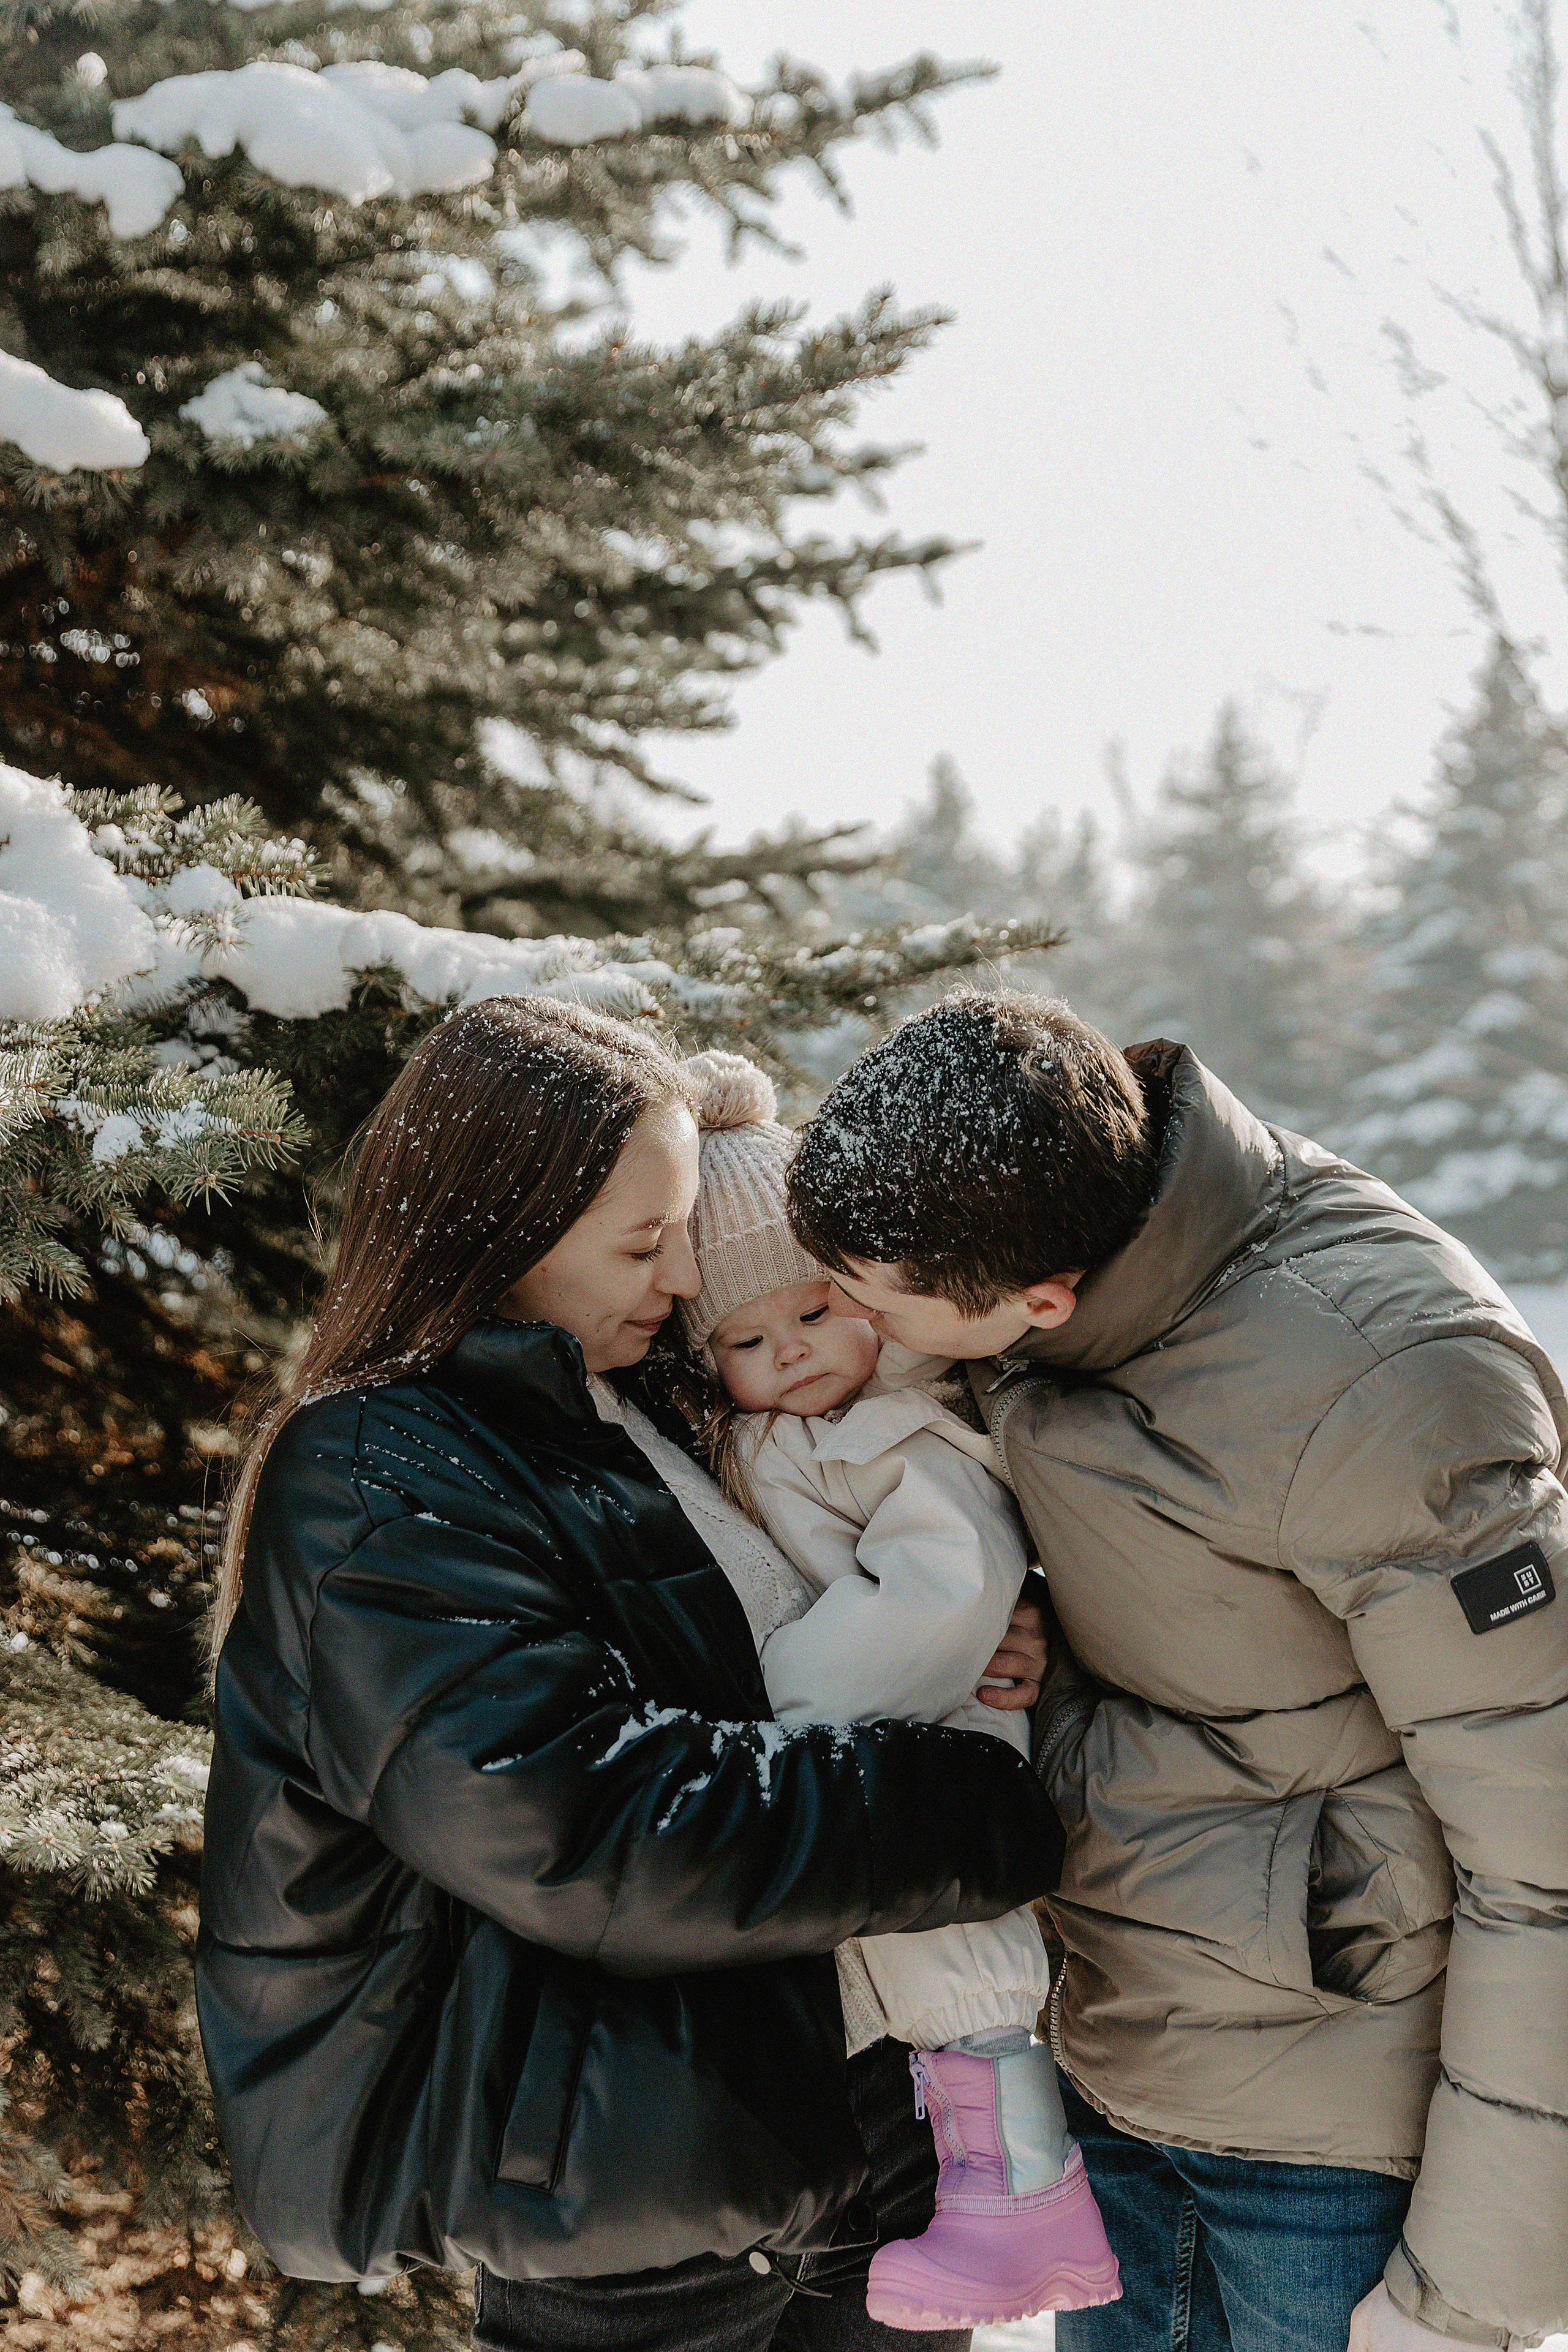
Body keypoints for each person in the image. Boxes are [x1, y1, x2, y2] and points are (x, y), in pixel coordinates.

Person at [195, 993, 1063, 2352]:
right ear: (508, 1230)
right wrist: (970, 1804)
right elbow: (582, 1827)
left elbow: (800, 1609)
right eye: (642, 1243)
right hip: (636, 2187)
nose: (678, 1282)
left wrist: (988, 1637)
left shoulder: (645, 1405)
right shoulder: (380, 1470)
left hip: (861, 2121)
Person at [785, 989, 1568, 2352]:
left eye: (867, 1302)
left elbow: (1548, 1838)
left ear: (1034, 1304)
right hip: (1113, 2058)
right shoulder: (1047, 1226)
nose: (839, 1328)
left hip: (1319, 2144)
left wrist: (1469, 2296)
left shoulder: (1390, 1390)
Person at [669, 1049, 1120, 2332]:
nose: (791, 1352)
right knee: (937, 2002)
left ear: (863, 1295)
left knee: (964, 1987)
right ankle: (1008, 2205)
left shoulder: (900, 1431)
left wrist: (774, 1718)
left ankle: (1030, 2207)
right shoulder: (785, 1433)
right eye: (748, 1342)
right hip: (866, 1766)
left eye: (814, 1313)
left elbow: (944, 1589)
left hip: (921, 1733)